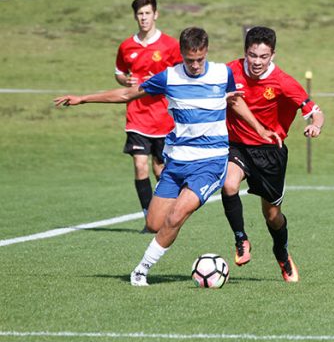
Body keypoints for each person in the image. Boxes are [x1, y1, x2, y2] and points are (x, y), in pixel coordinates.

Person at [54, 27, 279, 286]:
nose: (195, 65)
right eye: (189, 60)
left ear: (206, 52)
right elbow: (128, 93)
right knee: (154, 222)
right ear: (181, 54)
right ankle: (168, 229)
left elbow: (235, 101)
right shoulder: (169, 77)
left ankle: (141, 270)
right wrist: (84, 99)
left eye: (199, 59)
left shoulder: (221, 73)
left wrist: (260, 128)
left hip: (211, 162)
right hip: (177, 161)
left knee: (175, 217)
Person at [221, 26, 325, 283]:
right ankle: (241, 239)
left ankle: (282, 253)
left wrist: (315, 125)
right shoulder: (229, 71)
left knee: (272, 216)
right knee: (228, 185)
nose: (256, 62)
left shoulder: (283, 82)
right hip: (237, 145)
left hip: (270, 153)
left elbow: (315, 111)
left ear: (273, 55)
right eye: (252, 55)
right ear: (245, 52)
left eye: (263, 56)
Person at [114, 0, 182, 231]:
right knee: (140, 165)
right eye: (140, 14)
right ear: (136, 17)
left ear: (156, 14)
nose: (143, 18)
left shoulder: (170, 45)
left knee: (160, 169)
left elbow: (181, 74)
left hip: (163, 117)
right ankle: (148, 218)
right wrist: (125, 79)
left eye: (147, 13)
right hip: (137, 116)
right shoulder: (126, 46)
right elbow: (119, 73)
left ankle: (164, 214)